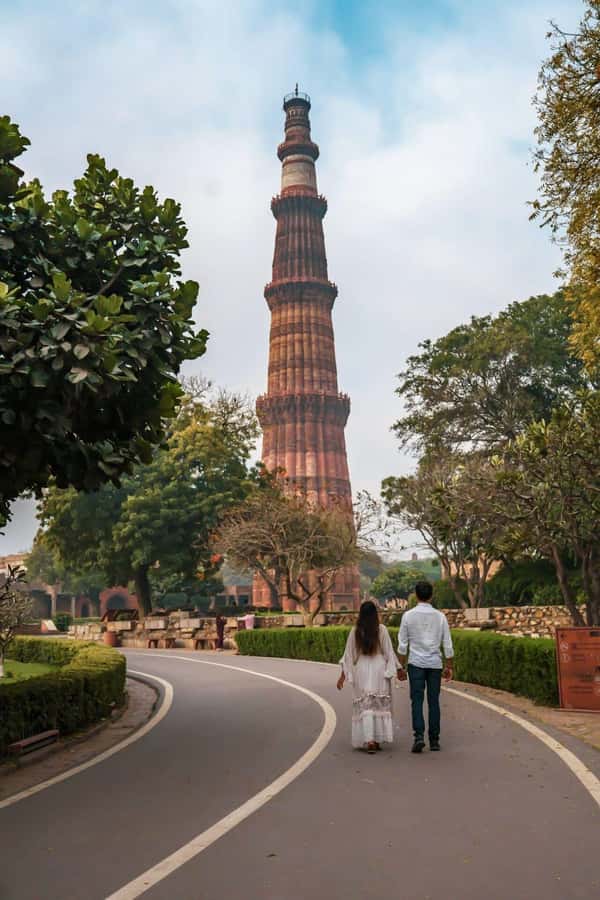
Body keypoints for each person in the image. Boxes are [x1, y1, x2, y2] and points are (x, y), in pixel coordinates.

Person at [397, 581, 454, 753]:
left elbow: (402, 645)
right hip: (435, 664)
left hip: (415, 663)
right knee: (434, 701)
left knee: (417, 700)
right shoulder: (440, 616)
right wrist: (449, 666)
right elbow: (448, 644)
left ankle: (419, 736)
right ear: (431, 595)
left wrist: (401, 667)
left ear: (416, 594)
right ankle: (434, 740)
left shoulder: (408, 616)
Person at [337, 600, 401, 753]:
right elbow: (389, 652)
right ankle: (377, 739)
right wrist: (398, 669)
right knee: (378, 704)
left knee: (366, 704)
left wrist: (342, 676)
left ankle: (369, 739)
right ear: (375, 614)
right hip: (379, 669)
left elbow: (348, 655)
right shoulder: (382, 630)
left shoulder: (355, 631)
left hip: (362, 670)